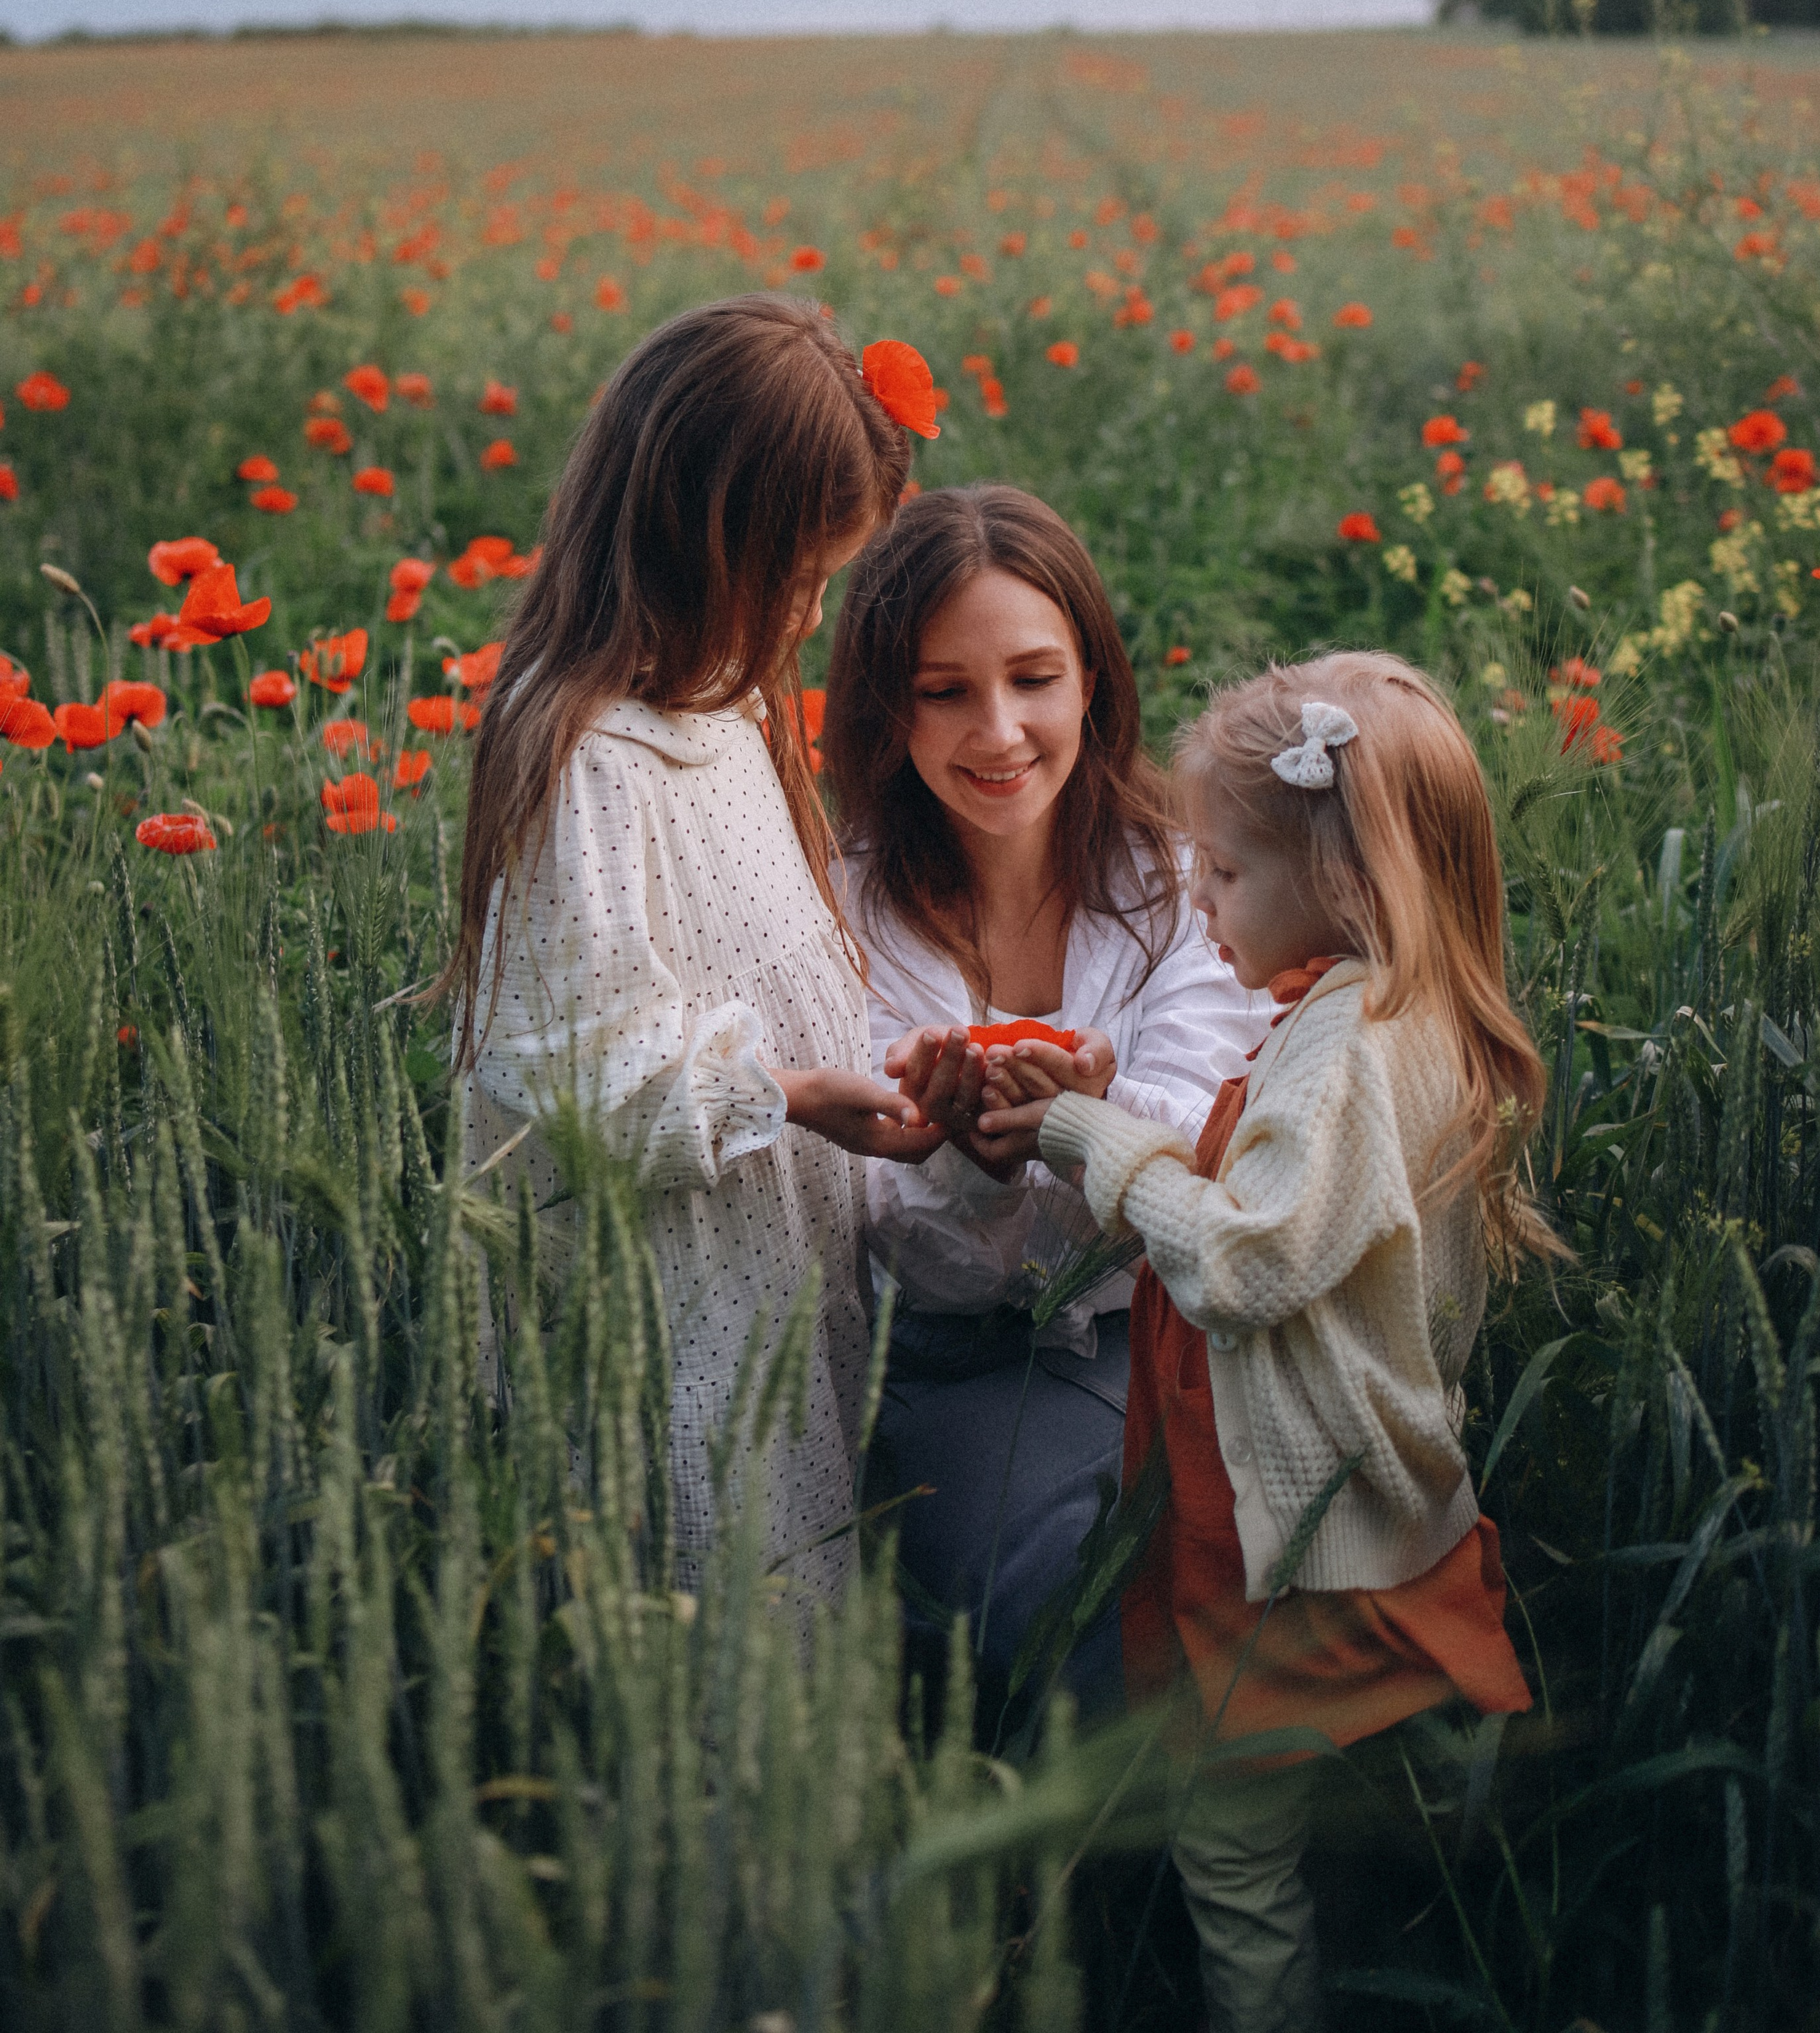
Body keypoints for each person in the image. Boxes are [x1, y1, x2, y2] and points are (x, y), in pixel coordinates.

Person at [1012, 651, 1559, 2033]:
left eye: (1226, 873)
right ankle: (1456, 1962)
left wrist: (1093, 1135)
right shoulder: (1393, 1010)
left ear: (1346, 876)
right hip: (1349, 1500)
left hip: (1290, 1541)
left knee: (1232, 1842)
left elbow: (1251, 1260)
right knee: (1378, 1800)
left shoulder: (1345, 1047)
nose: (1199, 900)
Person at [448, 298, 946, 1603]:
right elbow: (571, 1069)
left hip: (772, 1256)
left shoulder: (720, 704)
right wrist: (787, 1096)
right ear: (695, 534)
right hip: (674, 1295)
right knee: (715, 1578)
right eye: (797, 576)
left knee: (803, 1553)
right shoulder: (592, 758)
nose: (809, 608)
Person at [822, 484, 1268, 1735]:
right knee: (1066, 1608)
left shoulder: (1183, 885)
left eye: (1033, 676)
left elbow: (1187, 1150)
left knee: (1262, 1576)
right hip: (939, 1367)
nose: (1000, 728)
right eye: (944, 689)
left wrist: (1088, 1125)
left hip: (1166, 1343)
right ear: (883, 704)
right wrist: (974, 1163)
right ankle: (1088, 1901)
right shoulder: (838, 919)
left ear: (1092, 684)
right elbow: (864, 1213)